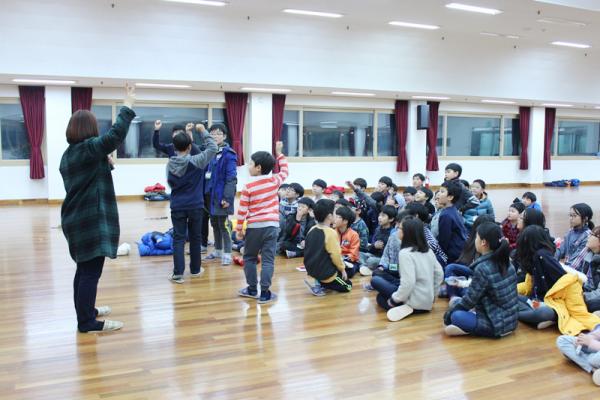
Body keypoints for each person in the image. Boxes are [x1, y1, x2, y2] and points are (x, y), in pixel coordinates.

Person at [60, 85, 136, 333]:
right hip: (88, 220)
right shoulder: (89, 148)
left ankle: (86, 312)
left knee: (84, 269)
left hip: (75, 219)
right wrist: (127, 104)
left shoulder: (69, 154)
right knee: (91, 272)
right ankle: (87, 322)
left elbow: (86, 177)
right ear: (90, 129)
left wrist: (105, 162)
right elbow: (115, 136)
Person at [516, 225, 600, 334]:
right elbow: (530, 286)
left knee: (543, 313)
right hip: (542, 301)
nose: (589, 236)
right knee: (513, 296)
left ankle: (519, 315)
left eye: (593, 235)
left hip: (572, 298)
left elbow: (569, 282)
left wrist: (582, 296)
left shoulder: (542, 256)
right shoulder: (588, 254)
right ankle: (537, 317)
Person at [443, 222, 519, 337]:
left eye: (476, 237)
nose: (475, 240)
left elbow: (469, 301)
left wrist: (448, 316)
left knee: (456, 315)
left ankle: (469, 329)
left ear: (483, 242)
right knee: (457, 304)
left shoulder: (483, 268)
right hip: (512, 321)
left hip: (495, 324)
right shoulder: (507, 262)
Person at [236, 141, 288, 304]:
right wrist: (279, 153)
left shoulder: (248, 186)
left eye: (251, 163)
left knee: (250, 258)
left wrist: (239, 229)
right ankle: (265, 293)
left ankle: (252, 289)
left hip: (254, 228)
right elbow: (285, 170)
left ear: (258, 168)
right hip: (272, 226)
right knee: (268, 260)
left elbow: (242, 210)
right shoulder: (275, 180)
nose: (248, 166)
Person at [167, 127, 218, 284]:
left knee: (179, 238)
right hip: (195, 205)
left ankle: (178, 274)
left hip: (177, 206)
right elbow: (213, 147)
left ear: (174, 147)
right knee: (195, 237)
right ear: (189, 147)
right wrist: (202, 131)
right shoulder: (197, 161)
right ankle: (195, 270)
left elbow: (170, 184)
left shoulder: (170, 163)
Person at [374, 217, 444, 322]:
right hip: (427, 302)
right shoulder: (428, 250)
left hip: (412, 300)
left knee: (377, 288)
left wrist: (394, 300)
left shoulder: (405, 253)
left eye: (399, 228)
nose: (397, 229)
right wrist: (433, 295)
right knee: (381, 279)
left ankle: (408, 307)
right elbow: (439, 274)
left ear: (407, 233)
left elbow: (408, 283)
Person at [203, 123, 237, 266]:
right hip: (209, 195)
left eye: (218, 133)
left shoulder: (229, 154)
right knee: (214, 224)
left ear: (224, 136)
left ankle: (227, 253)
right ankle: (217, 250)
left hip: (221, 196)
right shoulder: (209, 152)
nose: (215, 136)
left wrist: (227, 197)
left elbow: (231, 178)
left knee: (224, 225)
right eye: (212, 133)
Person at [303, 199, 353, 296]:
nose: (335, 215)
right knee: (348, 286)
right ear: (330, 216)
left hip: (311, 269)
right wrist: (342, 270)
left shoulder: (312, 228)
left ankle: (320, 282)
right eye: (335, 213)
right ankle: (323, 284)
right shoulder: (331, 233)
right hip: (326, 274)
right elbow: (336, 256)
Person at [437, 181, 468, 264]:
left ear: (450, 197)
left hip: (453, 255)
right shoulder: (453, 210)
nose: (438, 194)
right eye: (439, 191)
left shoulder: (446, 215)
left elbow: (444, 241)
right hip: (461, 252)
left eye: (442, 191)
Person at [556, 203, 595, 271]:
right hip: (568, 269)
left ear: (585, 218)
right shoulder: (570, 232)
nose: (571, 218)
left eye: (574, 216)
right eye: (570, 215)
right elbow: (561, 251)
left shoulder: (587, 236)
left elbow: (577, 261)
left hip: (577, 272)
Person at [334, 206, 361, 278]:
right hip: (336, 259)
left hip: (349, 261)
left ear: (345, 221)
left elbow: (353, 254)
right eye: (335, 216)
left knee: (350, 271)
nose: (335, 219)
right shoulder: (332, 232)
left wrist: (343, 258)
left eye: (338, 217)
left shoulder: (354, 235)